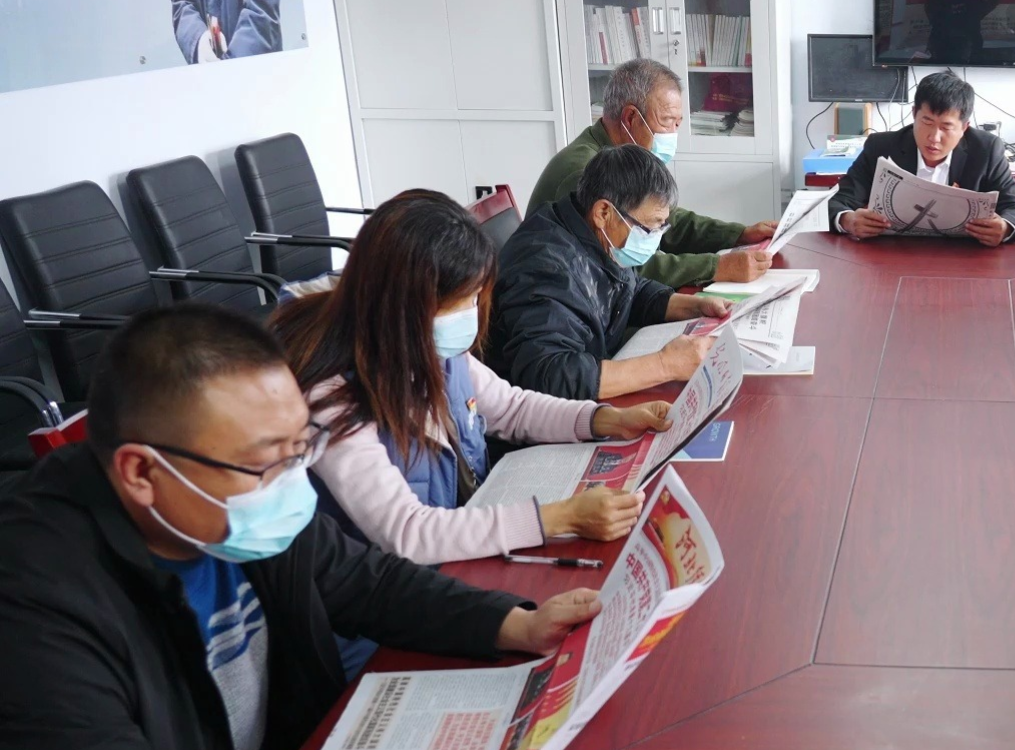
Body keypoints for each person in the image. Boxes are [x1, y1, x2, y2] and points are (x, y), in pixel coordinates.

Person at [0, 305, 606, 750]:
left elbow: (362, 581)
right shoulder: (35, 610)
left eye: (300, 449)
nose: (293, 483)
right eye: (269, 462)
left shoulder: (229, 507)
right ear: (141, 473)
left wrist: (514, 623)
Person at [274, 189, 673, 570]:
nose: (470, 313)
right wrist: (559, 518)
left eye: (475, 297)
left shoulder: (428, 345)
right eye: (461, 301)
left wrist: (605, 419)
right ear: (405, 304)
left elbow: (512, 408)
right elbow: (406, 531)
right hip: (396, 589)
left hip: (465, 538)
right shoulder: (331, 396)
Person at [491, 144, 732, 401]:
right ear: (603, 212)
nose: (654, 238)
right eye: (649, 228)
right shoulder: (547, 268)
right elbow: (551, 376)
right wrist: (665, 365)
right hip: (539, 413)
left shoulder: (590, 232)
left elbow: (629, 290)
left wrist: (696, 306)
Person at [523, 58, 775, 288]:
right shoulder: (584, 172)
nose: (672, 135)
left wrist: (738, 235)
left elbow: (663, 221)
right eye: (666, 121)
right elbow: (623, 266)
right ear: (631, 118)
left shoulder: (622, 158)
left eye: (677, 124)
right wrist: (716, 267)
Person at [827, 70, 1015, 247]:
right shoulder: (881, 147)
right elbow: (838, 201)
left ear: (964, 127)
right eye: (927, 122)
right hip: (892, 255)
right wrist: (848, 220)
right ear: (914, 114)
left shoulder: (986, 150)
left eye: (946, 127)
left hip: (964, 259)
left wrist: (1005, 228)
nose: (934, 137)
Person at [925, 0, 998, 64]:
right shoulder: (939, 5)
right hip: (941, 55)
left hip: (970, 57)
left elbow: (992, 0)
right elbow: (932, 0)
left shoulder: (973, 5)